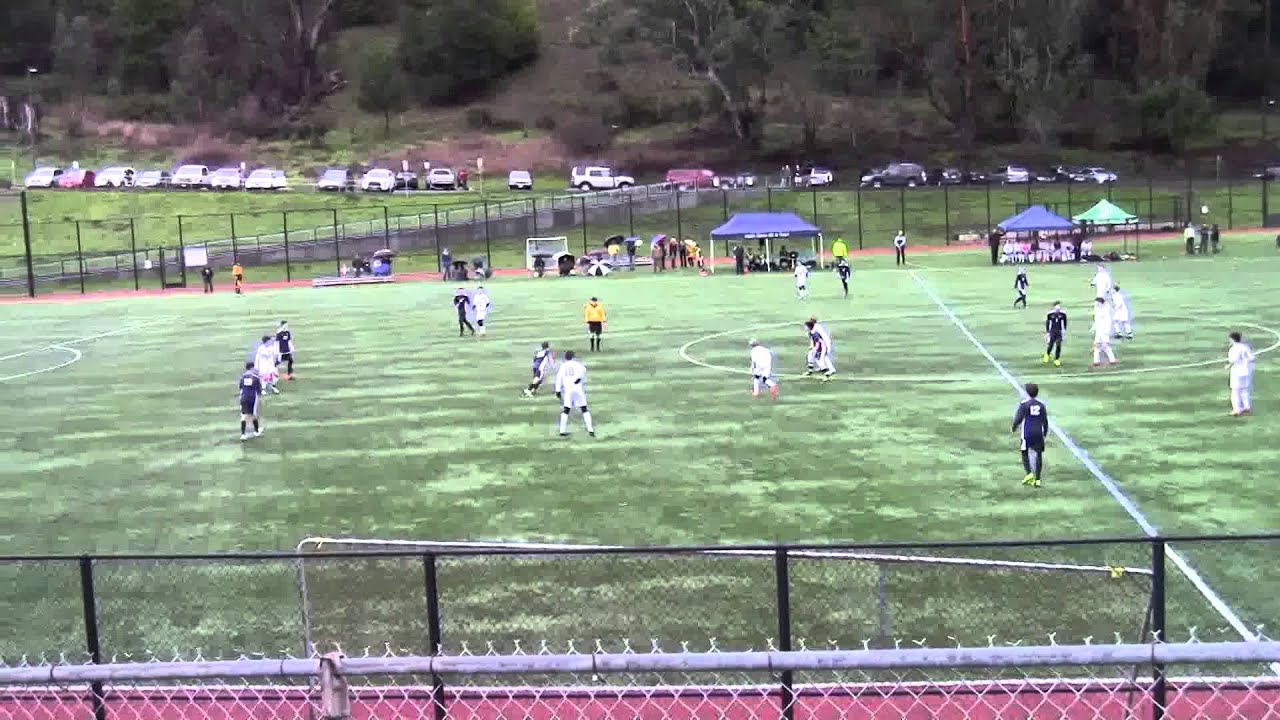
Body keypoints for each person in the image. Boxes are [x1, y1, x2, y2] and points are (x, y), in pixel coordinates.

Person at [1011, 383, 1049, 487]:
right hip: (1038, 432)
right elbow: (1045, 421)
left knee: (1024, 451)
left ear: (1027, 393)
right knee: (1039, 454)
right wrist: (1045, 432)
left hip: (1027, 432)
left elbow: (1018, 419)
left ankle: (1029, 473)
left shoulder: (1024, 404)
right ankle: (1038, 479)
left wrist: (1013, 427)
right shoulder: (1041, 405)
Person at [554, 350, 595, 437]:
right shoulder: (577, 364)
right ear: (573, 356)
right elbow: (583, 370)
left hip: (568, 390)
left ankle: (562, 431)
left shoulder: (563, 366)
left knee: (566, 409)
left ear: (565, 357)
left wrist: (558, 390)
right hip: (578, 388)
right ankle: (590, 429)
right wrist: (579, 378)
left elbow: (559, 378)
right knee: (584, 408)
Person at [1227, 331, 1256, 416]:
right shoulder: (1245, 346)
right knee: (1245, 390)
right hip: (1247, 371)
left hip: (1237, 372)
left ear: (1232, 339)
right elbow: (1251, 358)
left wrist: (1228, 366)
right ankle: (1247, 407)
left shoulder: (1233, 349)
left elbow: (1233, 360)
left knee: (1235, 391)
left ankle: (1236, 409)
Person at [237, 362, 263, 442]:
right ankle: (256, 431)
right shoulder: (256, 378)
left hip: (244, 398)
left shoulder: (242, 377)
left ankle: (243, 434)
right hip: (252, 398)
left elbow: (240, 388)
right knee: (254, 414)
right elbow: (259, 391)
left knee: (243, 416)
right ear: (252, 368)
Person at [1091, 297, 1117, 367]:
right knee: (1096, 346)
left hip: (1104, 332)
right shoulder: (1097, 310)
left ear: (1101, 303)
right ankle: (1096, 361)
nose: (1096, 304)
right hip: (1098, 331)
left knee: (1105, 346)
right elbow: (1096, 321)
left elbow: (1108, 322)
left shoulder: (1105, 311)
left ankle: (1112, 360)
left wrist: (1106, 332)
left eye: (1097, 303)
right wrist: (1094, 329)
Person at [1043, 302, 1067, 367]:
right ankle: (1047, 355)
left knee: (1058, 345)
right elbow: (1048, 323)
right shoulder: (1050, 314)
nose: (1058, 308)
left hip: (1059, 331)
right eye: (1057, 306)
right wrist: (1047, 332)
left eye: (1059, 306)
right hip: (1052, 331)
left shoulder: (1063, 314)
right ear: (1054, 307)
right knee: (1051, 345)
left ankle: (1056, 359)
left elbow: (1065, 323)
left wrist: (1064, 331)